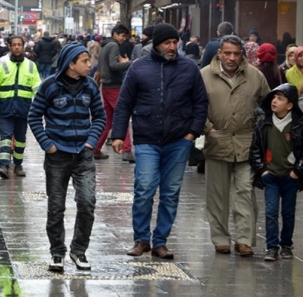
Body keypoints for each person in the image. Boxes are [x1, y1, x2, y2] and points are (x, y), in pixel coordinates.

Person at [112, 23, 209, 260]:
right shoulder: (138, 68)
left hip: (179, 140)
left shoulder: (189, 68)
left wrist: (192, 133)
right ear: (156, 44)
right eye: (168, 43)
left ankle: (160, 241)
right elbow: (124, 103)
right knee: (144, 187)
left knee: (171, 192)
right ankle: (141, 239)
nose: (172, 47)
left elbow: (201, 103)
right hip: (146, 138)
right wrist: (118, 134)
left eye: (175, 42)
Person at [27, 44, 106, 273]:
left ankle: (79, 250)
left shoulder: (90, 86)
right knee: (55, 207)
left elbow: (100, 116)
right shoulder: (50, 86)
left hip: (83, 156)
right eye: (84, 60)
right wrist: (48, 145)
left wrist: (91, 142)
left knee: (87, 203)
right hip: (57, 157)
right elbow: (34, 116)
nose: (89, 64)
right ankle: (57, 253)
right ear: (71, 64)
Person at [200, 35, 270, 257]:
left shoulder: (255, 76)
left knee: (245, 192)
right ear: (219, 53)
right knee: (217, 195)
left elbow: (267, 105)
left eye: (236, 54)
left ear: (243, 55)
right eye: (227, 53)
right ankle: (220, 239)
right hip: (217, 141)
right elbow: (194, 106)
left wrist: (259, 128)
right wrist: (208, 128)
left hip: (246, 142)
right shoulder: (203, 76)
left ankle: (244, 239)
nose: (231, 58)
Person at [249, 84, 303, 262]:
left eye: (280, 98)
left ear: (290, 105)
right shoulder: (264, 124)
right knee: (271, 211)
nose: (274, 101)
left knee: (288, 212)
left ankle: (286, 244)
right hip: (270, 176)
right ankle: (271, 247)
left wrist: (297, 172)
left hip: (290, 178)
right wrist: (262, 171)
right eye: (274, 97)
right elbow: (255, 150)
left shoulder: (299, 126)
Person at [0, 35, 41, 179]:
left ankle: (18, 165)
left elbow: (37, 87)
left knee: (20, 139)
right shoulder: (3, 64)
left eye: (19, 44)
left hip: (24, 109)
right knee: (5, 137)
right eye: (14, 45)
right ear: (9, 47)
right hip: (6, 107)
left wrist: (40, 104)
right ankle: (3, 166)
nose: (17, 47)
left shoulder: (31, 66)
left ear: (23, 47)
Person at [95, 24, 133, 161]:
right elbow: (113, 65)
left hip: (106, 86)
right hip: (114, 86)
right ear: (115, 34)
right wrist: (130, 63)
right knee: (122, 115)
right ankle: (127, 150)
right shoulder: (113, 46)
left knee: (108, 120)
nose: (123, 39)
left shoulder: (105, 46)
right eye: (122, 35)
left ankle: (95, 148)